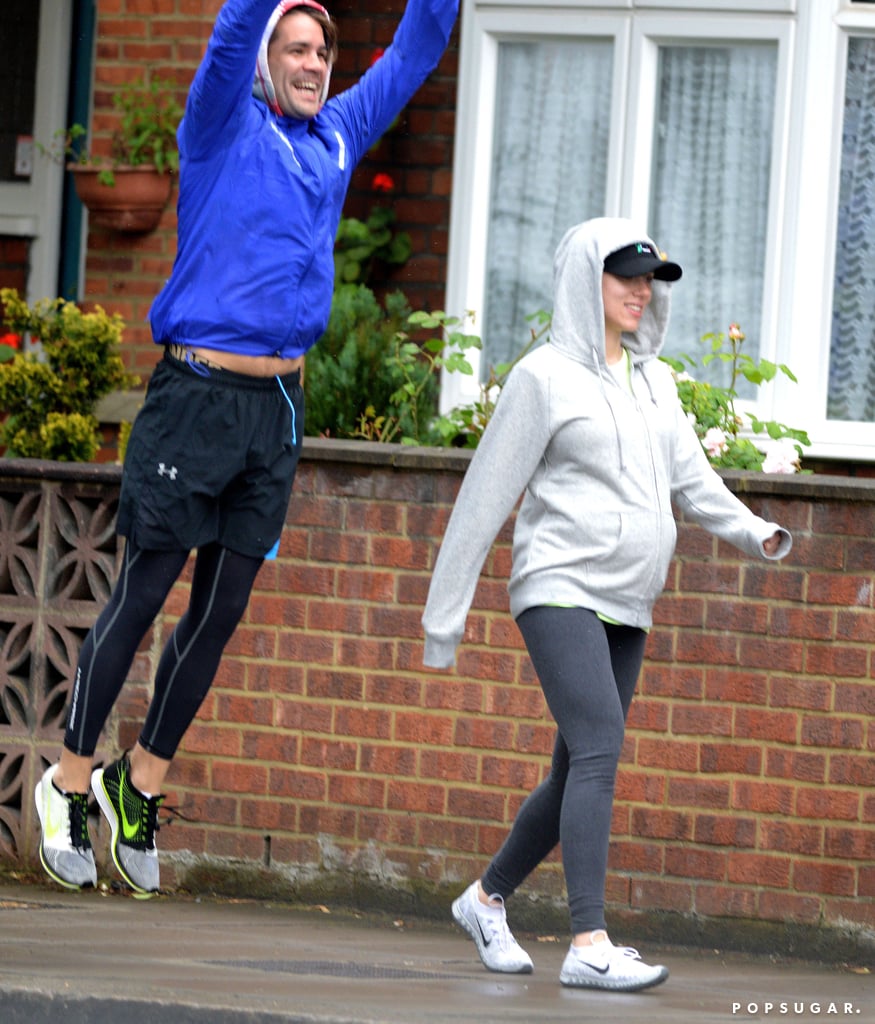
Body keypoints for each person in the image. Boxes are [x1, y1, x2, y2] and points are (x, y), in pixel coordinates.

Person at [35, 0, 458, 897]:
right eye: (295, 47)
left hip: (276, 408)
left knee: (221, 610)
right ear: (269, 59)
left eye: (323, 50)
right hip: (194, 397)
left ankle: (139, 781)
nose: (312, 62)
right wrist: (255, 21)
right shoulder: (221, 124)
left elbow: (419, 46)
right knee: (145, 592)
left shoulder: (336, 135)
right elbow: (232, 35)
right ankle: (69, 778)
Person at [421, 217, 792, 993]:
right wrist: (442, 621)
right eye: (622, 275)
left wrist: (755, 531)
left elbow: (692, 481)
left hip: (629, 599)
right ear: (583, 279)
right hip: (557, 585)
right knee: (598, 747)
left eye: (647, 279)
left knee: (573, 771)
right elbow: (484, 499)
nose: (638, 290)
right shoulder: (542, 377)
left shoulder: (654, 381)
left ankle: (486, 898)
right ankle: (588, 940)